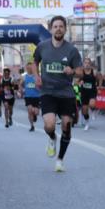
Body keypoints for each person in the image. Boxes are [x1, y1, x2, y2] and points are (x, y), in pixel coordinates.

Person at [32, 15, 84, 172]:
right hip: (48, 91)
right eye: (55, 26)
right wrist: (36, 76)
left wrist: (72, 71)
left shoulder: (72, 50)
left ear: (65, 29)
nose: (58, 29)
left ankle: (60, 160)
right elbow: (35, 62)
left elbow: (81, 72)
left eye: (61, 26)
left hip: (66, 93)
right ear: (50, 29)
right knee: (49, 125)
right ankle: (52, 137)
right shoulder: (42, 46)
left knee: (67, 126)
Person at [78, 58, 100, 130]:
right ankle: (87, 122)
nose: (87, 64)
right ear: (83, 64)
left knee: (92, 104)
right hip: (84, 92)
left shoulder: (94, 72)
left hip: (92, 91)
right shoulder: (81, 72)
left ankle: (93, 110)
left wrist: (99, 86)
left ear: (90, 64)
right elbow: (76, 81)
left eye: (88, 63)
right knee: (84, 111)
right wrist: (79, 83)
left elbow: (101, 78)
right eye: (85, 63)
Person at [22, 61, 42, 132]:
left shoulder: (37, 76)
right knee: (29, 110)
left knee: (36, 112)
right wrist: (21, 90)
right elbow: (21, 85)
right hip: (28, 97)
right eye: (27, 68)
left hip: (36, 96)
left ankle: (35, 115)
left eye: (30, 68)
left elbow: (41, 86)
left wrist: (38, 86)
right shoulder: (24, 77)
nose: (29, 69)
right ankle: (32, 126)